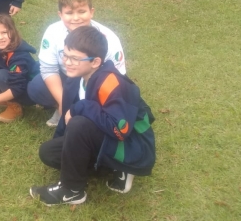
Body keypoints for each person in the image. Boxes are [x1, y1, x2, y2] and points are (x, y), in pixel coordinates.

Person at [30, 26, 155, 206]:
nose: (67, 62)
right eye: (65, 55)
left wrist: (83, 106)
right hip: (104, 134)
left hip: (132, 145)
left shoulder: (110, 83)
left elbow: (120, 130)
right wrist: (68, 146)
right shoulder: (75, 77)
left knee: (80, 123)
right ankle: (107, 165)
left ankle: (72, 191)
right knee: (48, 153)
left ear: (96, 62)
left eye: (75, 58)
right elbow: (67, 118)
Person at [27, 0, 127, 128]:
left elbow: (118, 77)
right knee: (36, 87)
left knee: (88, 122)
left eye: (81, 11)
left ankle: (88, 115)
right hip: (68, 77)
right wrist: (63, 104)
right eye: (69, 12)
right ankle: (61, 109)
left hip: (96, 82)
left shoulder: (109, 39)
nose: (76, 18)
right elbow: (48, 69)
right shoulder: (52, 32)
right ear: (60, 14)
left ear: (91, 12)